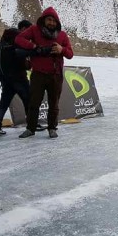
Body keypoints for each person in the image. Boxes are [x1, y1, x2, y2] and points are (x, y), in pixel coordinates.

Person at [15, 7, 73, 139]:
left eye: (54, 20)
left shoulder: (62, 35)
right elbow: (19, 39)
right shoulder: (35, 30)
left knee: (54, 104)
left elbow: (70, 54)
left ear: (57, 22)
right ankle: (30, 129)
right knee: (34, 103)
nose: (51, 23)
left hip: (55, 75)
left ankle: (52, 128)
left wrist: (61, 49)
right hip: (38, 75)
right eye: (49, 19)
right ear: (44, 20)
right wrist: (34, 47)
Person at [0, 28, 30, 135]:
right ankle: (32, 124)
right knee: (28, 101)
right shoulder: (16, 49)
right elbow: (25, 65)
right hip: (19, 80)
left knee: (3, 103)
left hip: (6, 80)